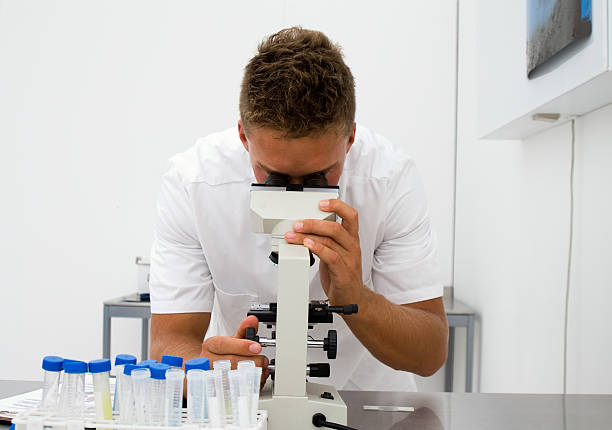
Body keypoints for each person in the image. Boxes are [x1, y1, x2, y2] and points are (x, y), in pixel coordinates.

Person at [149, 26, 448, 391]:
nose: (295, 194)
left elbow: (430, 353)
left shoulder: (388, 178)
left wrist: (356, 299)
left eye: (318, 176)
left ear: (350, 138)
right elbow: (168, 341)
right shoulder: (193, 182)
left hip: (365, 400)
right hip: (245, 399)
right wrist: (214, 369)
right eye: (273, 176)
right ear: (243, 135)